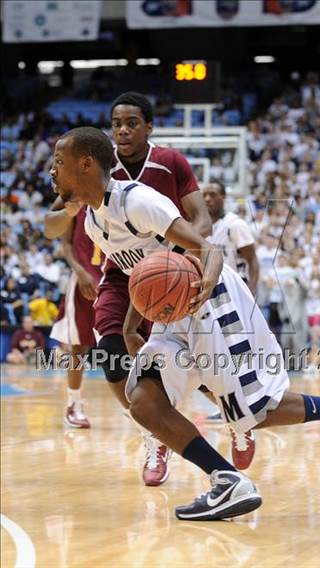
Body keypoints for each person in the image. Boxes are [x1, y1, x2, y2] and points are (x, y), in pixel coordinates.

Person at [50, 126, 320, 521]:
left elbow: (207, 248)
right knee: (145, 404)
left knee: (251, 411)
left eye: (59, 162)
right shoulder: (96, 223)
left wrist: (205, 289)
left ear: (86, 164)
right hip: (172, 315)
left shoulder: (137, 201)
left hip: (211, 299)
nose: (52, 171)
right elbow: (146, 276)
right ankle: (228, 481)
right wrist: (132, 324)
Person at [45, 91, 213, 485]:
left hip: (170, 268)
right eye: (117, 123)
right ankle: (153, 436)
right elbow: (54, 224)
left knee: (198, 366)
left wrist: (180, 259)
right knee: (112, 356)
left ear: (148, 127)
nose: (122, 129)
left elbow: (201, 220)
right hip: (120, 274)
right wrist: (64, 210)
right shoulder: (91, 164)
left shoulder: (169, 162)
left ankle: (239, 416)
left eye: (132, 122)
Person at [202, 180, 259, 464]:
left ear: (223, 197)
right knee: (214, 359)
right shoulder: (197, 225)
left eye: (213, 194)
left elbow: (253, 260)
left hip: (235, 296)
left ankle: (246, 410)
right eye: (204, 195)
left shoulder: (234, 224)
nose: (208, 198)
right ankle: (233, 409)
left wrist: (253, 295)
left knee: (238, 359)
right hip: (209, 299)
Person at [48, 206, 104, 428]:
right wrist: (80, 272)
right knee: (78, 347)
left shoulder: (119, 196)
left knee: (128, 341)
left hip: (114, 278)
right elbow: (66, 243)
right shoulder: (76, 200)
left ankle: (136, 404)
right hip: (84, 278)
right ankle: (74, 404)